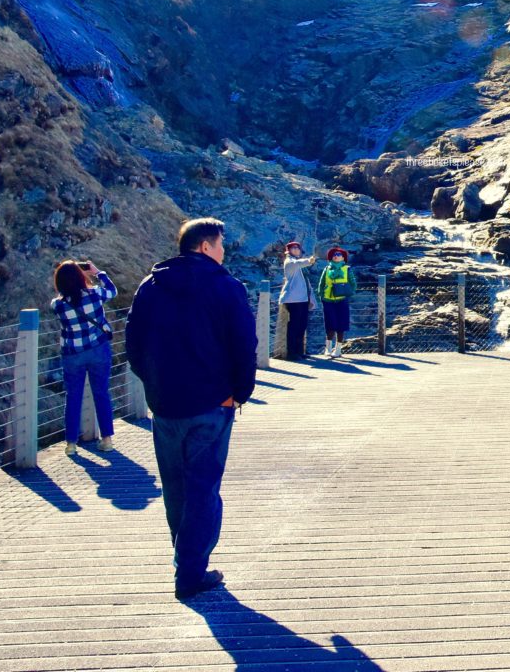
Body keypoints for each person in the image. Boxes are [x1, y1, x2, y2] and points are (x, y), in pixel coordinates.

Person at [125, 218, 258, 600]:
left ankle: (185, 559)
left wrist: (152, 382)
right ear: (204, 246)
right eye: (220, 244)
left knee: (176, 486)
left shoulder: (151, 286)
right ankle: (190, 572)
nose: (223, 251)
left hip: (165, 404)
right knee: (203, 487)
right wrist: (239, 393)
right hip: (212, 403)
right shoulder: (226, 287)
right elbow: (243, 344)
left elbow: (133, 341)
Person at [50, 259, 118, 456]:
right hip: (98, 349)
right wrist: (97, 272)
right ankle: (107, 439)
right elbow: (112, 291)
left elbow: (61, 300)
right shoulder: (95, 294)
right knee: (101, 393)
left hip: (72, 354)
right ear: (81, 276)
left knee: (73, 397)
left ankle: (71, 444)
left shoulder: (58, 305)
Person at [278, 241, 316, 360]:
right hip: (294, 299)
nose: (295, 249)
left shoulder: (298, 265)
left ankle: (299, 351)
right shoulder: (289, 261)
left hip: (303, 298)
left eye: (297, 248)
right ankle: (291, 352)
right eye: (293, 248)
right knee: (294, 325)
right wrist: (308, 261)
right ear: (288, 250)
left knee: (302, 325)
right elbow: (297, 263)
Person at [317, 247, 356, 358]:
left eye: (339, 254)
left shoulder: (347, 269)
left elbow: (353, 283)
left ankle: (338, 349)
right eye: (334, 254)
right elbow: (321, 282)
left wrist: (349, 293)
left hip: (342, 299)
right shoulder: (327, 269)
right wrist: (321, 295)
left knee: (341, 324)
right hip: (328, 299)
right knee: (330, 323)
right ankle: (328, 348)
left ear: (343, 257)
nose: (336, 255)